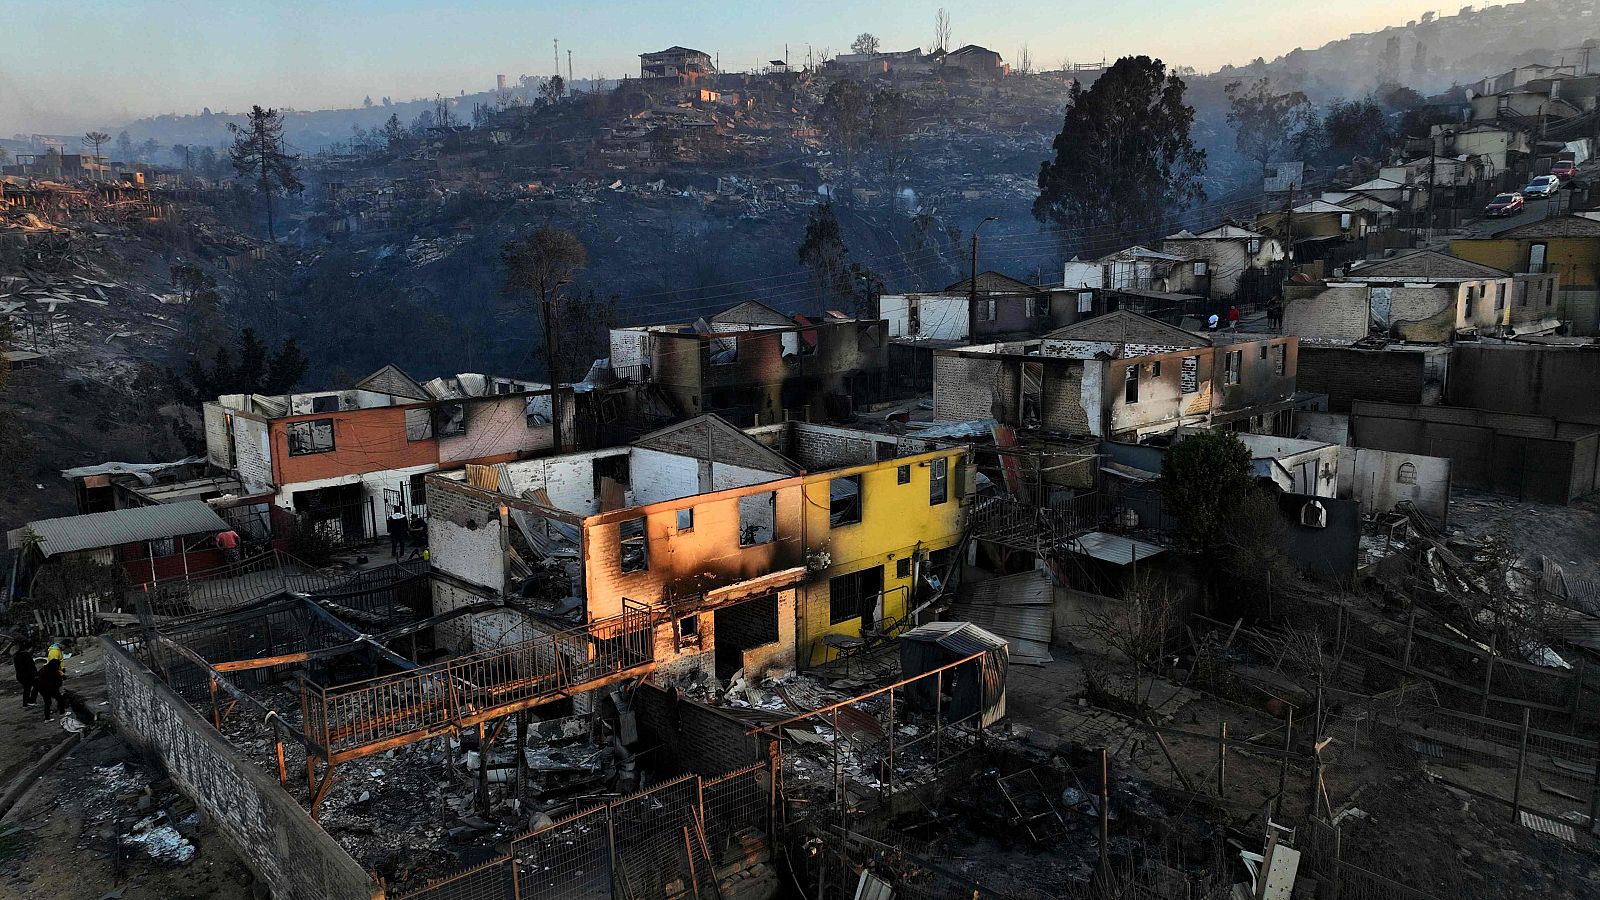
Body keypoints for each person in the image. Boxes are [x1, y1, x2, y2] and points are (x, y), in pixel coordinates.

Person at [12, 642, 36, 708]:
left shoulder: (17, 655)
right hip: (27, 676)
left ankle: (26, 703)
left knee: (27, 689)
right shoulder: (26, 655)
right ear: (28, 648)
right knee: (34, 687)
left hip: (20, 675)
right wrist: (35, 674)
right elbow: (31, 667)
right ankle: (29, 702)